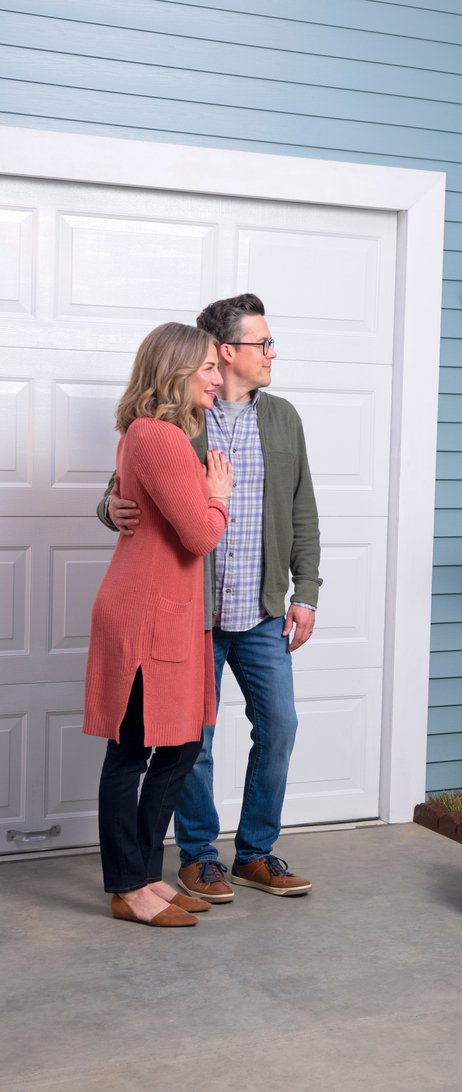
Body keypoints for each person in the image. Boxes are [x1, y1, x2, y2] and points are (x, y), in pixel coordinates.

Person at [99, 294, 321, 901]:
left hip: (260, 608)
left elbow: (303, 510)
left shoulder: (282, 419)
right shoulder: (179, 416)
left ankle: (255, 851)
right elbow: (131, 486)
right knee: (188, 738)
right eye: (263, 343)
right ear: (227, 353)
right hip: (190, 612)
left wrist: (307, 592)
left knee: (279, 725)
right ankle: (199, 856)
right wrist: (108, 507)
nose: (272, 353)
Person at [84, 323, 232, 927]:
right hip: (146, 615)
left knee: (180, 744)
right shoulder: (160, 437)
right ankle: (128, 886)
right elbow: (199, 534)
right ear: (175, 371)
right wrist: (218, 494)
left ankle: (146, 874)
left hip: (169, 614)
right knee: (133, 753)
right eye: (207, 369)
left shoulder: (147, 435)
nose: (218, 379)